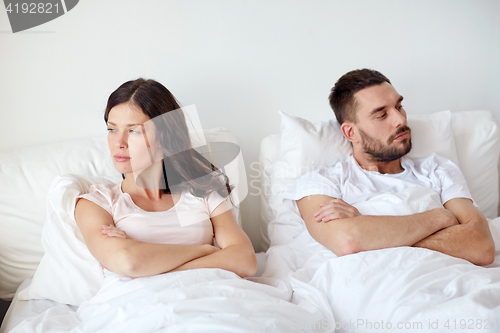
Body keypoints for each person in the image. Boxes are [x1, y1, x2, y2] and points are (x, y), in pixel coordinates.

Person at [285, 69, 495, 266]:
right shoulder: (320, 183)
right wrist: (439, 218)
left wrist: (373, 234)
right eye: (382, 115)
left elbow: (481, 245)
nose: (401, 119)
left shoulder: (437, 169)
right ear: (351, 133)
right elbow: (347, 241)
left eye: (399, 106)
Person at [74, 78, 257, 278]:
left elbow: (245, 260)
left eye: (133, 131)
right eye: (112, 129)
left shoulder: (204, 191)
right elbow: (127, 261)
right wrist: (205, 251)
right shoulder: (98, 202)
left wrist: (149, 261)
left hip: (208, 295)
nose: (119, 142)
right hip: (137, 304)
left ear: (165, 138)